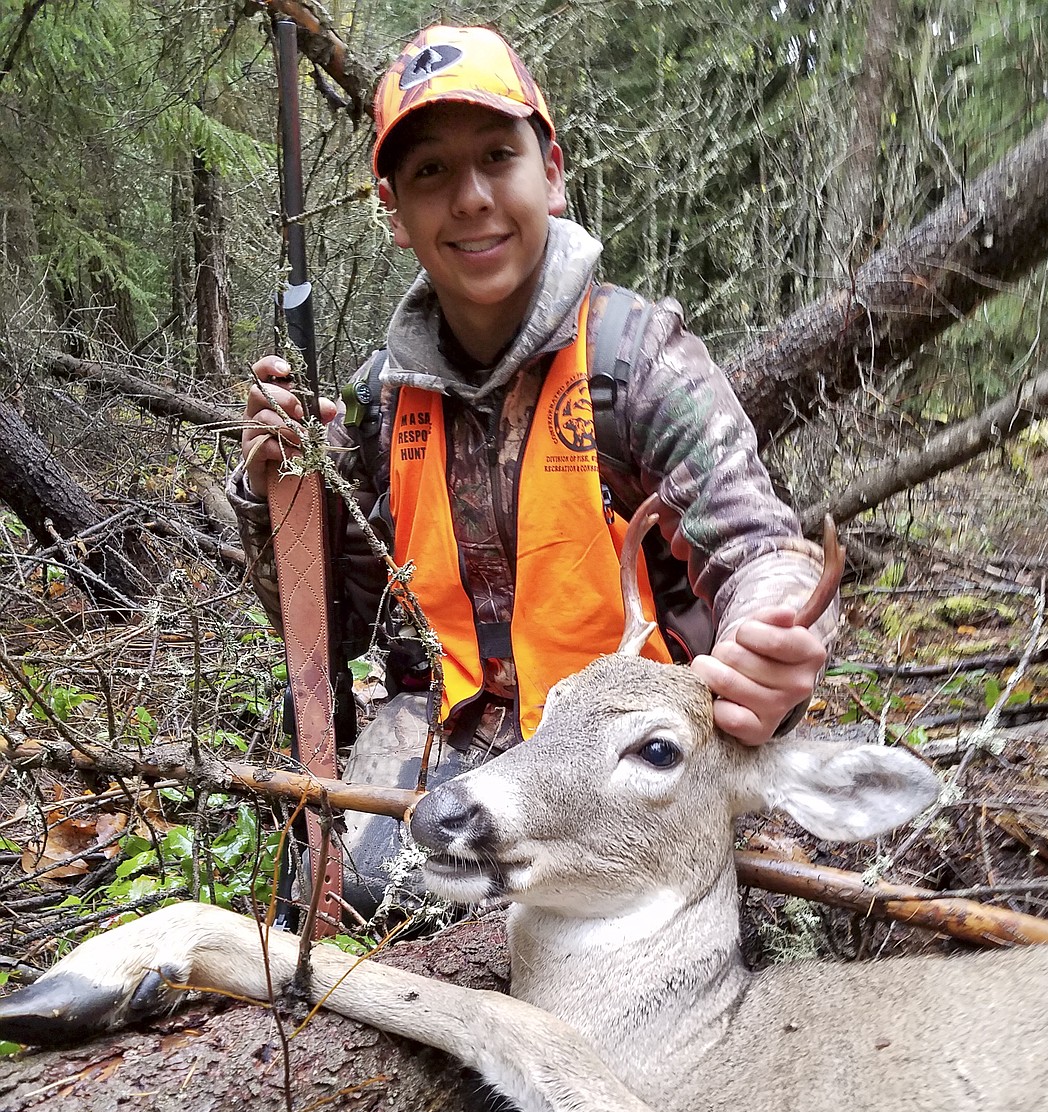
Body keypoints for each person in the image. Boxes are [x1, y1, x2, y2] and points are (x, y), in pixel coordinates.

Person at [230, 24, 837, 921]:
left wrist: (770, 631)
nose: (471, 198)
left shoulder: (637, 361)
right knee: (361, 892)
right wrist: (273, 494)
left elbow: (760, 548)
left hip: (621, 743)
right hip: (450, 730)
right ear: (393, 211)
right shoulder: (374, 403)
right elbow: (330, 631)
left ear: (549, 170)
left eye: (496, 157)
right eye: (431, 172)